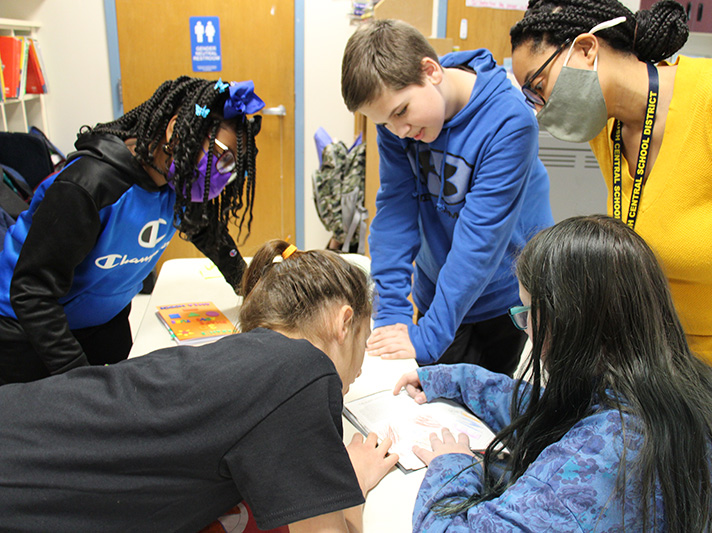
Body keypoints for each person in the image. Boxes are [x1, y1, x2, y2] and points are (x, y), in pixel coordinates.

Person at [508, 1, 712, 530]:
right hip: (679, 373)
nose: (538, 109)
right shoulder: (609, 129)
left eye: (538, 87)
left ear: (586, 49)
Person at [0, 240, 398, 532]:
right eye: (364, 341)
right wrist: (350, 480)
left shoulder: (240, 359)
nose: (360, 369)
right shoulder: (301, 370)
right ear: (344, 323)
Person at [394, 215, 712, 532]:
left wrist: (450, 466)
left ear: (571, 322)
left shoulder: (599, 460)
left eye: (527, 311)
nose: (525, 326)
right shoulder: (669, 388)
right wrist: (457, 380)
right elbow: (552, 413)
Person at [0, 76, 264, 385]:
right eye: (222, 159)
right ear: (176, 130)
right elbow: (32, 292)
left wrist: (251, 287)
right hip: (31, 334)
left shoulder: (175, 181)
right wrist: (79, 380)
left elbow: (206, 233)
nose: (221, 177)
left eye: (231, 168)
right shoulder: (89, 186)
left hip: (102, 322)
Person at [340, 19, 553, 375]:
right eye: (385, 123)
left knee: (476, 408)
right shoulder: (399, 124)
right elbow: (396, 211)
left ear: (430, 70)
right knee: (420, 398)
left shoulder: (510, 121)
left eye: (401, 112)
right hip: (437, 288)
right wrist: (392, 315)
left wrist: (428, 337)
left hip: (501, 293)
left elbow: (480, 243)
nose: (400, 132)